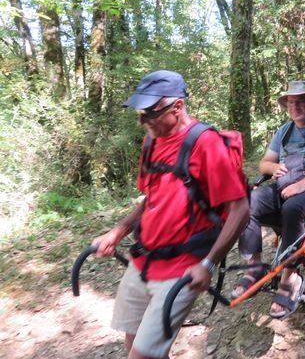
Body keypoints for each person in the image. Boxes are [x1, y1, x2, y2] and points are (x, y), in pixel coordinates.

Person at [91, 70, 250, 359]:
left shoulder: (206, 144)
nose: (142, 120)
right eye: (141, 111)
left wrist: (209, 264)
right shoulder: (151, 142)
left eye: (150, 112)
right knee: (133, 344)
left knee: (142, 356)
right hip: (143, 260)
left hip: (183, 267)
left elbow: (240, 210)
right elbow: (150, 198)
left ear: (177, 107)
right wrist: (119, 231)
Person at [233, 81, 305, 319]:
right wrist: (273, 167)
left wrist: (302, 185)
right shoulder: (283, 131)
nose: (295, 106)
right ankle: (254, 267)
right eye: (291, 102)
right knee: (245, 202)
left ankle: (289, 277)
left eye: (301, 101)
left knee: (293, 208)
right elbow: (264, 163)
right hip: (283, 185)